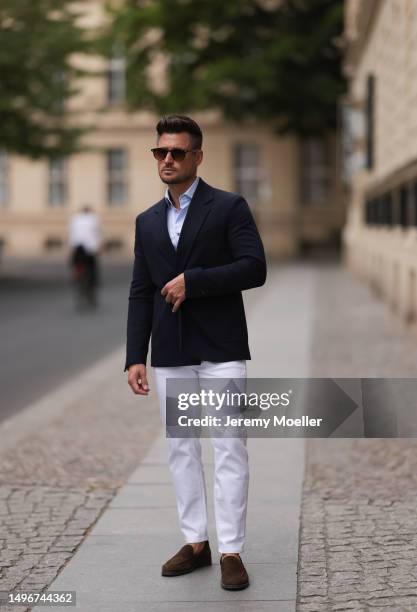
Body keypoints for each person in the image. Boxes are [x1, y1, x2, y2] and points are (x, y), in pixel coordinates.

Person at [125, 115, 266, 590]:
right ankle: (196, 542)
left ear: (198, 156)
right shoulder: (147, 221)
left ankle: (231, 550)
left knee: (229, 448)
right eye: (160, 152)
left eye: (177, 152)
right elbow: (140, 291)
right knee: (181, 451)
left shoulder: (228, 207)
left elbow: (254, 267)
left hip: (222, 347)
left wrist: (196, 281)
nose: (167, 160)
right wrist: (134, 356)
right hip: (170, 352)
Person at [68, 206, 101, 308]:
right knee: (92, 270)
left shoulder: (75, 218)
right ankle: (91, 286)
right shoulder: (94, 218)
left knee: (76, 266)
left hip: (77, 249)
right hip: (89, 250)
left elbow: (71, 233)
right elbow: (98, 233)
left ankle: (77, 278)